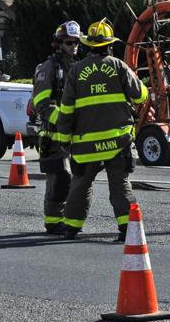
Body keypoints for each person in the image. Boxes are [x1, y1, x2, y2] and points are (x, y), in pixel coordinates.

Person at [56, 18, 148, 241]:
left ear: (88, 45)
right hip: (117, 143)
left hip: (86, 145)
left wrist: (63, 139)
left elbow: (66, 109)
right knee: (119, 185)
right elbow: (141, 95)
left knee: (80, 186)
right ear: (110, 45)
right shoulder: (118, 66)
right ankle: (127, 229)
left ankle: (71, 226)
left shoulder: (76, 71)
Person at [32, 21, 82, 235]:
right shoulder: (49, 68)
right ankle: (53, 221)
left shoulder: (77, 66)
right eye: (69, 42)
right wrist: (64, 119)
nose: (74, 46)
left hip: (74, 135)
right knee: (60, 177)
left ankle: (67, 218)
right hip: (53, 134)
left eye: (76, 42)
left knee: (76, 178)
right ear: (59, 44)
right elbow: (42, 105)